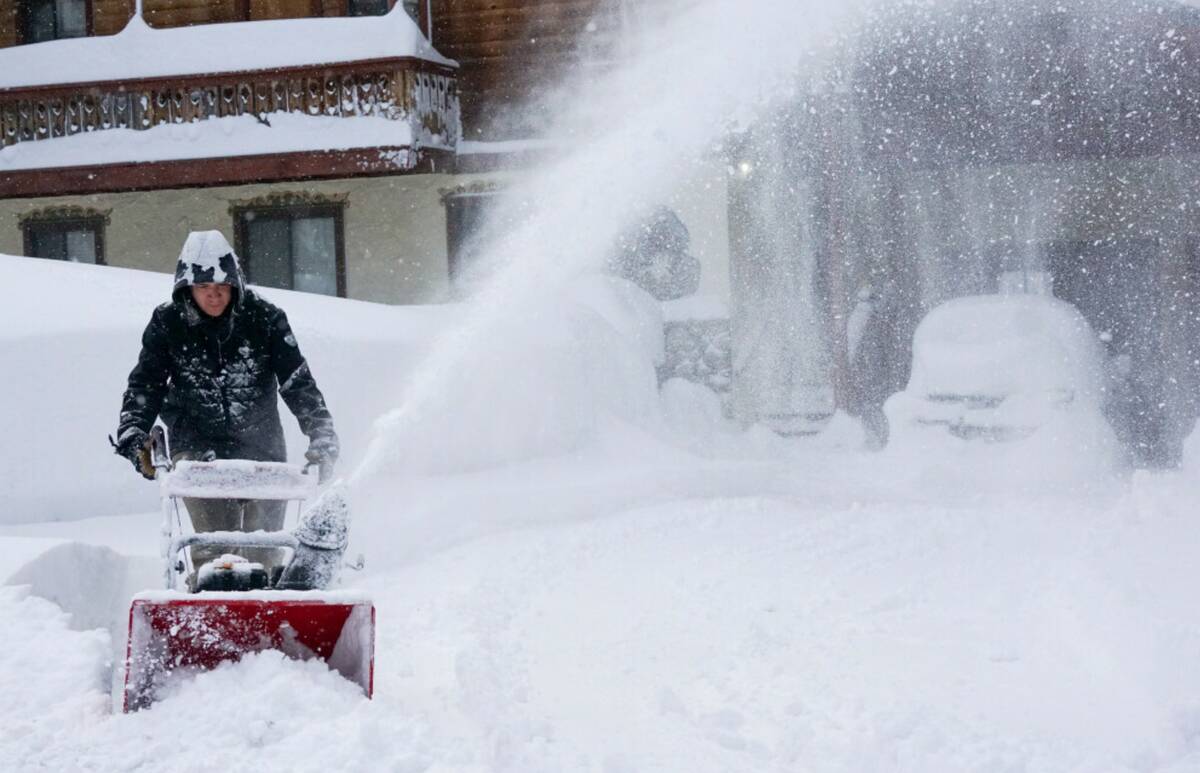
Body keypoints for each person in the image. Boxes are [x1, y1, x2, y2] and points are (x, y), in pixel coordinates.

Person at [112, 230, 339, 579]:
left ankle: (266, 616)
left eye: (221, 287)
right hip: (197, 451)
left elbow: (297, 382)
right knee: (213, 551)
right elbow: (146, 383)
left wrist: (321, 435)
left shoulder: (265, 318)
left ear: (236, 285)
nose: (213, 295)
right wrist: (132, 433)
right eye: (204, 288)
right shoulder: (168, 323)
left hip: (261, 449)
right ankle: (207, 608)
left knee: (263, 550)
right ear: (187, 289)